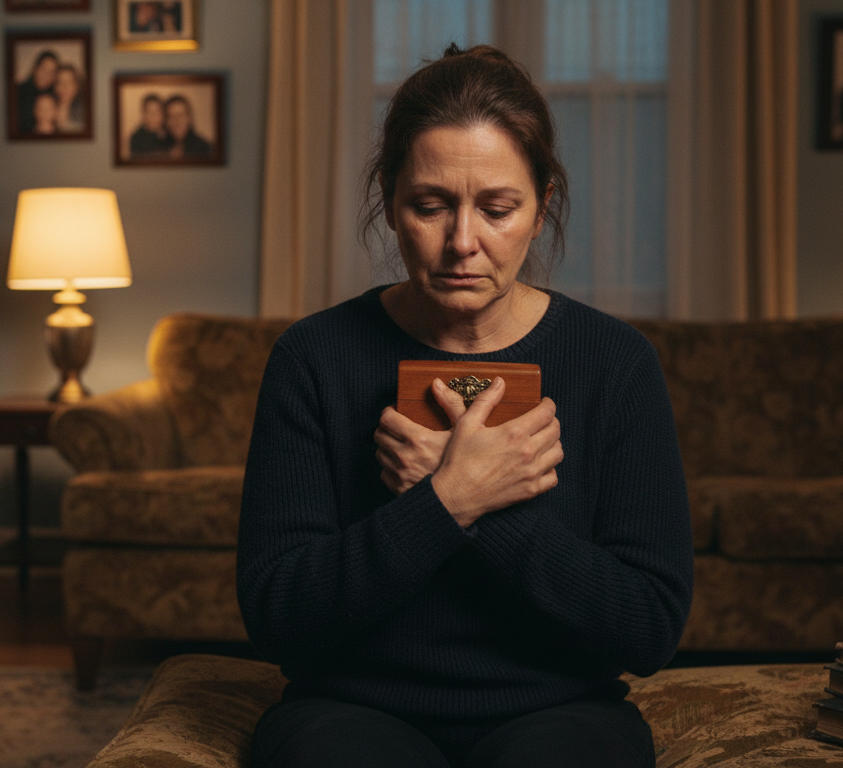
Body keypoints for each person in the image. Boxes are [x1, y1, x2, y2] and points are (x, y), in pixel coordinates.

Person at [236, 43, 693, 768]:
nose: (462, 243)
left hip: (562, 712)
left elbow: (647, 630)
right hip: (352, 710)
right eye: (431, 205)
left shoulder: (615, 363)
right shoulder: (313, 358)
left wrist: (482, 508)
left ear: (542, 209)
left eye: (498, 208)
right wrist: (445, 502)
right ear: (390, 203)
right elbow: (276, 620)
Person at [16, 51, 58, 135]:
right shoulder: (18, 92)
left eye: (51, 72)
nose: (47, 75)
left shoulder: (55, 95)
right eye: (44, 69)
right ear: (35, 69)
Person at [53, 64, 85, 133]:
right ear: (55, 87)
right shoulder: (50, 106)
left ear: (77, 86)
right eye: (60, 82)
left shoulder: (84, 108)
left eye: (69, 82)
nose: (65, 87)